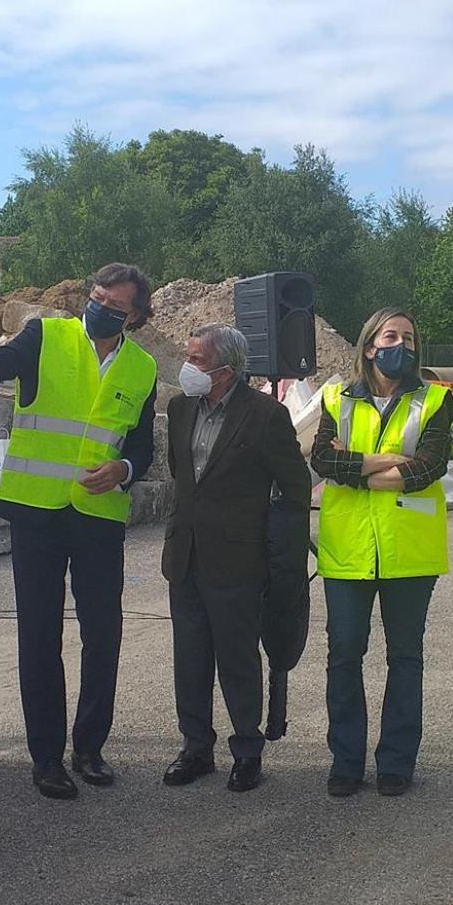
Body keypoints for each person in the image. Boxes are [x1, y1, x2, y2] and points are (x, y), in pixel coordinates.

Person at [0, 263, 158, 800]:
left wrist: (124, 471)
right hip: (37, 514)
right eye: (96, 296)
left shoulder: (144, 368)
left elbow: (142, 445)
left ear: (135, 318)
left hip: (99, 520)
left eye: (114, 305)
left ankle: (90, 748)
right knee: (40, 638)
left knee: (102, 636)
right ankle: (47, 758)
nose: (99, 307)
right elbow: (0, 360)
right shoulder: (46, 334)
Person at [160, 324, 310, 793]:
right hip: (185, 555)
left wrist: (274, 541)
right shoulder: (181, 407)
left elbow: (295, 486)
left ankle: (247, 750)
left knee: (238, 659)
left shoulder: (265, 414)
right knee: (190, 657)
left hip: (239, 561)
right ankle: (195, 747)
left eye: (198, 359)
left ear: (226, 369)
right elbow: (179, 471)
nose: (188, 367)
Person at [310, 307, 452, 798]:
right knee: (345, 654)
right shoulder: (335, 396)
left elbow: (430, 465)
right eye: (392, 336)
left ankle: (396, 762)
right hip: (348, 549)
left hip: (409, 549)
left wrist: (358, 470)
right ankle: (345, 761)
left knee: (405, 657)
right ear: (370, 345)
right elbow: (322, 458)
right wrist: (381, 462)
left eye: (409, 338)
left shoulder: (434, 400)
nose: (402, 346)